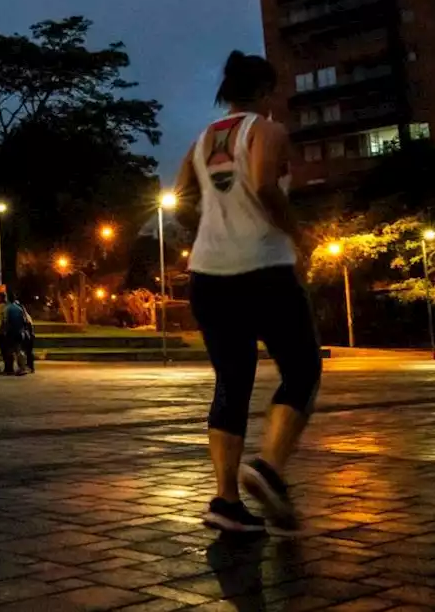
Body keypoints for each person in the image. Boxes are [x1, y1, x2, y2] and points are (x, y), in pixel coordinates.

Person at [173, 51, 321, 534]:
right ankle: (269, 468)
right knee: (302, 369)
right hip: (263, 268)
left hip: (208, 275)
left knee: (232, 381)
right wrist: (298, 234)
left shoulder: (201, 140)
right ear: (265, 91)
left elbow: (183, 205)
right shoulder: (267, 129)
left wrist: (213, 233)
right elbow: (263, 183)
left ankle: (226, 501)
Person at [0, 292, 27, 376]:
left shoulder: (7, 308)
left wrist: (4, 331)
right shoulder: (19, 308)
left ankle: (9, 369)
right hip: (20, 331)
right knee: (18, 350)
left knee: (9, 351)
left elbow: (6, 321)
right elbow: (24, 320)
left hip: (11, 332)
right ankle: (22, 368)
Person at [19, 301, 36, 373]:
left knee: (27, 352)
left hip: (27, 336)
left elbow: (26, 327)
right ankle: (30, 366)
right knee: (29, 352)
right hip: (30, 336)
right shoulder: (28, 316)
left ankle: (29, 366)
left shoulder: (24, 317)